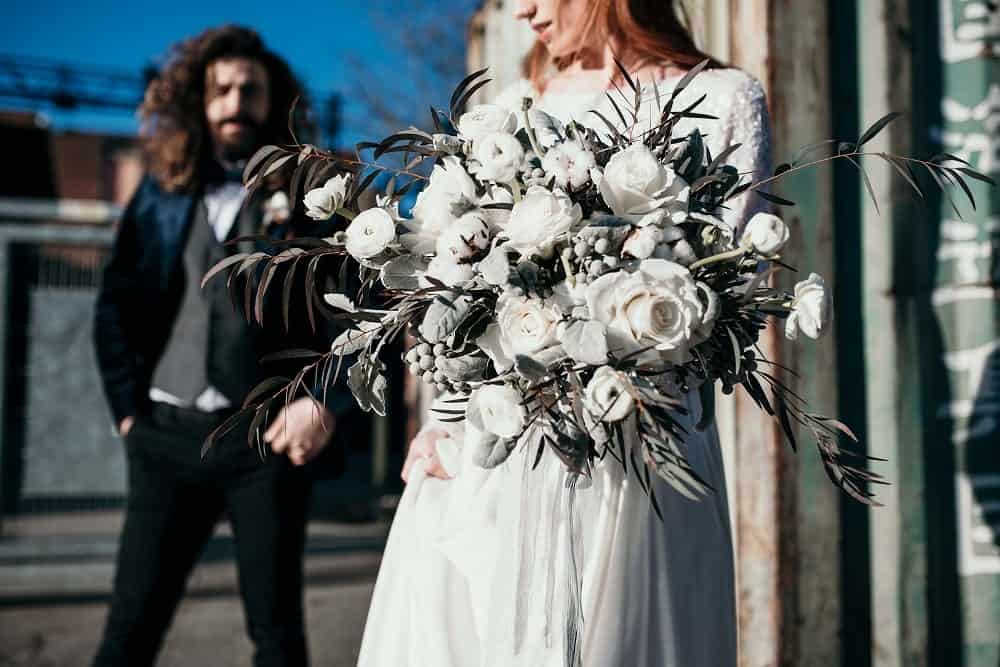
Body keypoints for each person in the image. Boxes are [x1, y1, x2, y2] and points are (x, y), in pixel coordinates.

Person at [357, 1, 771, 665]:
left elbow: (724, 292)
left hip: (639, 457)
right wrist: (446, 419)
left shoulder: (723, 100)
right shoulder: (507, 114)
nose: (522, 10)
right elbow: (453, 288)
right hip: (493, 454)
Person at [92, 25, 351, 667]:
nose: (235, 101)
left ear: (272, 98)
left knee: (277, 637)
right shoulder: (159, 193)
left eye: (250, 89)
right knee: (128, 632)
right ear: (199, 102)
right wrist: (128, 412)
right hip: (163, 435)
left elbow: (365, 314)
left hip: (262, 442)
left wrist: (321, 401)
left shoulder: (309, 197)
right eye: (221, 90)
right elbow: (114, 308)